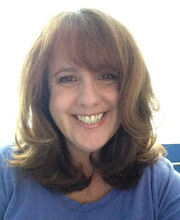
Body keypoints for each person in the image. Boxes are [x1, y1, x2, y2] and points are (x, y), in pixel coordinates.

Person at [0, 8, 180, 220]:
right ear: (43, 93)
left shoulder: (158, 184)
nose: (88, 99)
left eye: (106, 76)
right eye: (67, 78)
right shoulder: (7, 171)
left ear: (131, 88)